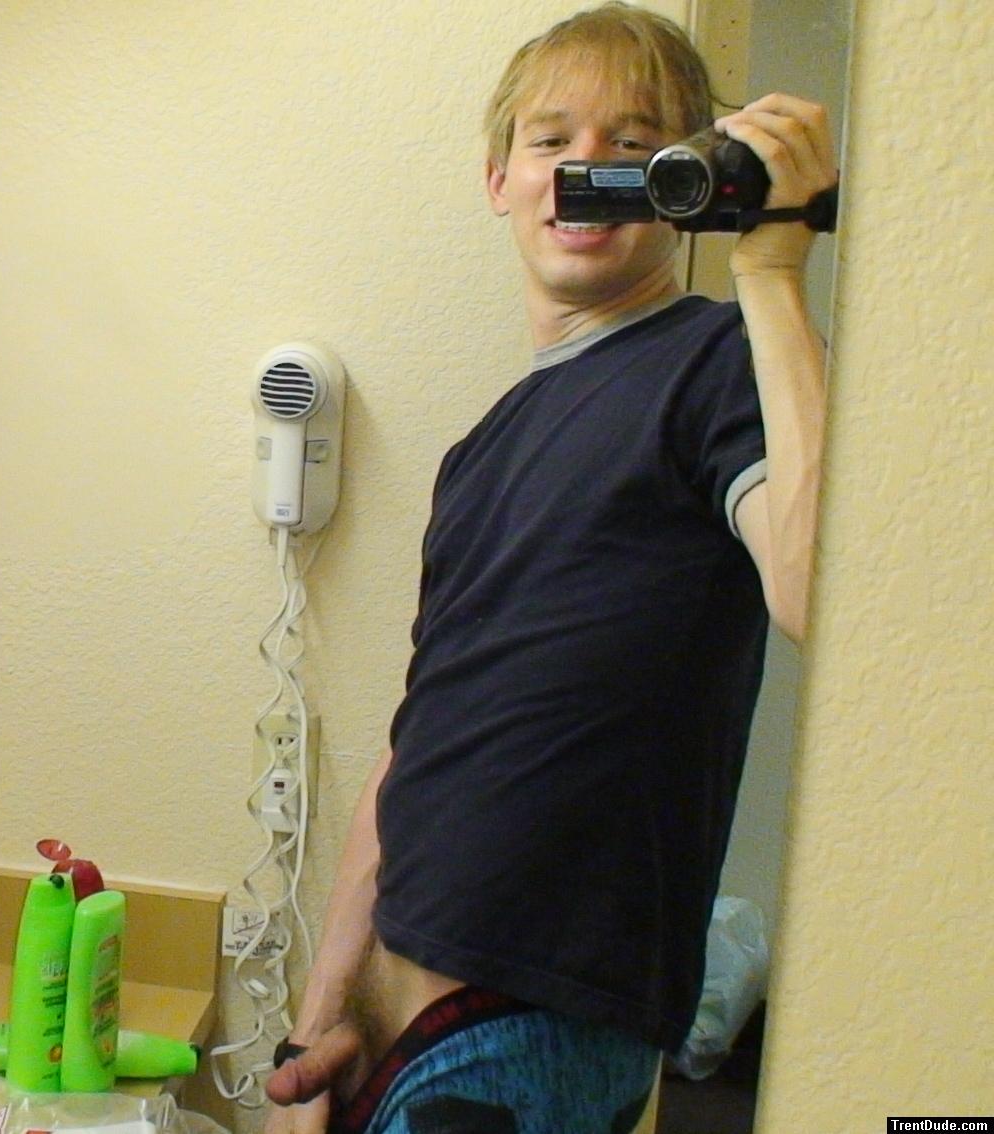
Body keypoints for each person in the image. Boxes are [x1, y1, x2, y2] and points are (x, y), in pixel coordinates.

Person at [264, 5, 833, 1132]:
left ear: (684, 188)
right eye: (553, 141)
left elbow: (824, 591)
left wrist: (772, 268)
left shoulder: (718, 361)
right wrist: (319, 1015)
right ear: (499, 181)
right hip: (386, 1025)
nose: (587, 169)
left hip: (535, 1030)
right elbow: (420, 732)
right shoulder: (481, 450)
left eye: (635, 148)